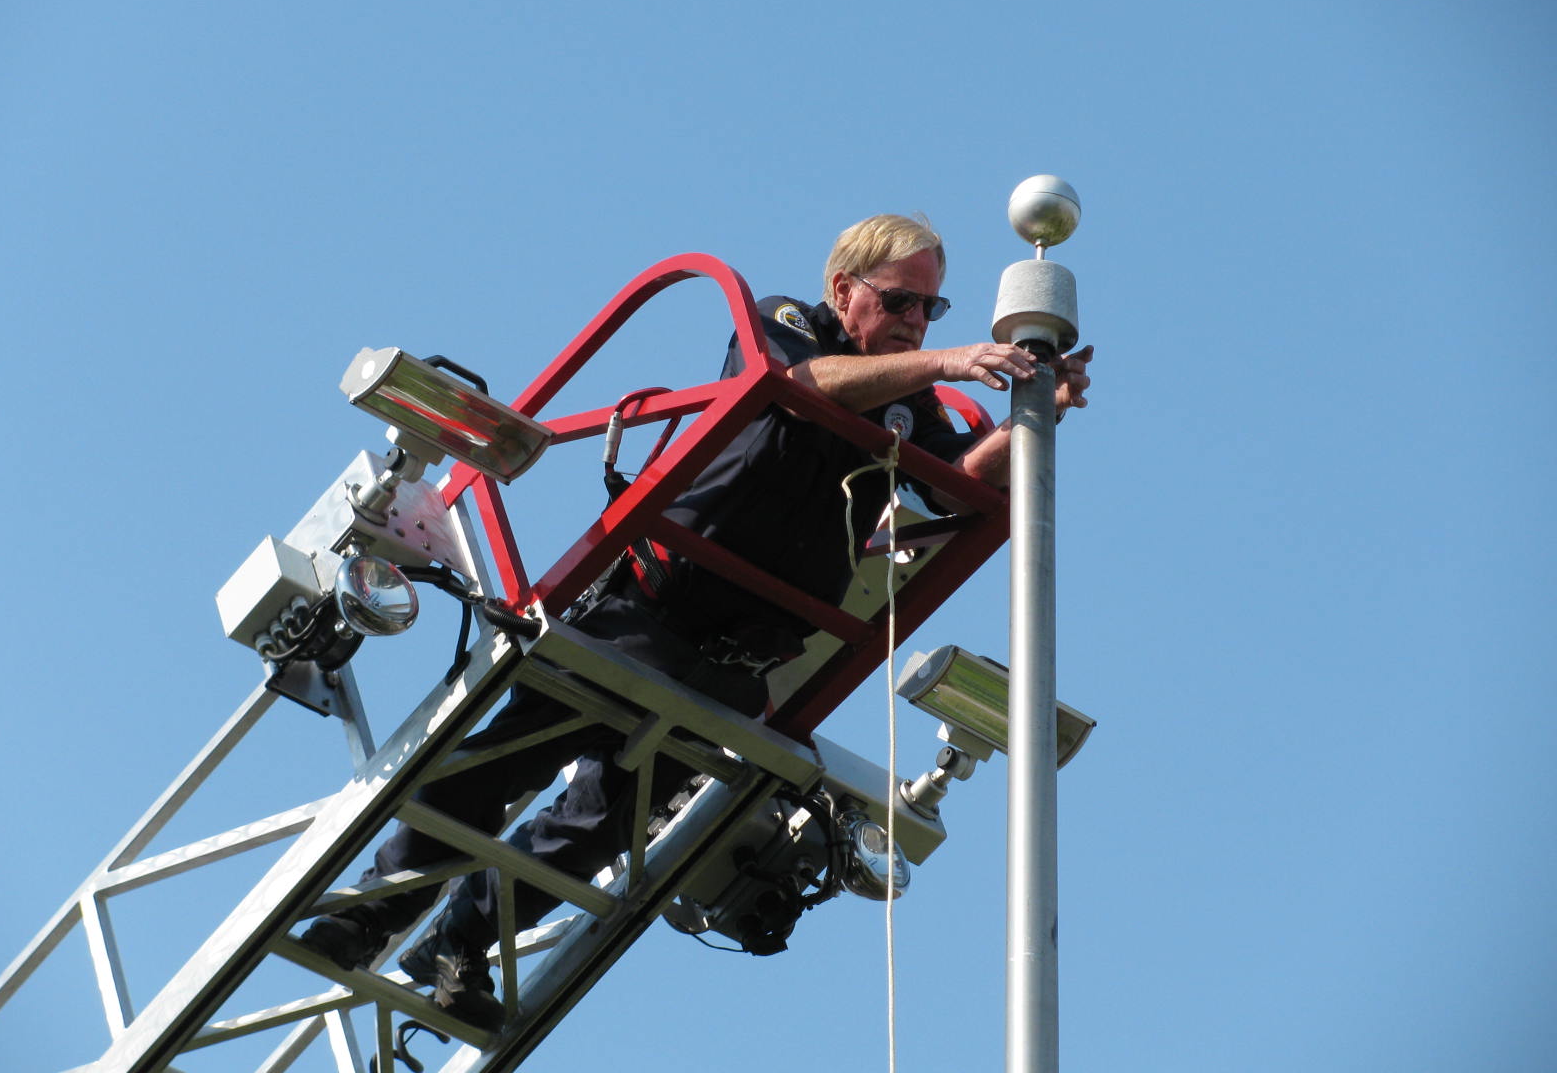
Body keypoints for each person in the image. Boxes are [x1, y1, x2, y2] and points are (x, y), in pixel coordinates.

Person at [301, 214, 1092, 1029]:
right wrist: (953, 360)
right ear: (843, 290)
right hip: (649, 610)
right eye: (900, 301)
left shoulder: (908, 398)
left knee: (597, 832)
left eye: (932, 310)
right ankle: (367, 915)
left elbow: (947, 483)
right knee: (499, 769)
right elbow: (804, 388)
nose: (916, 323)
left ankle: (459, 949)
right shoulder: (788, 321)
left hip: (738, 659)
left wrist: (1036, 415)